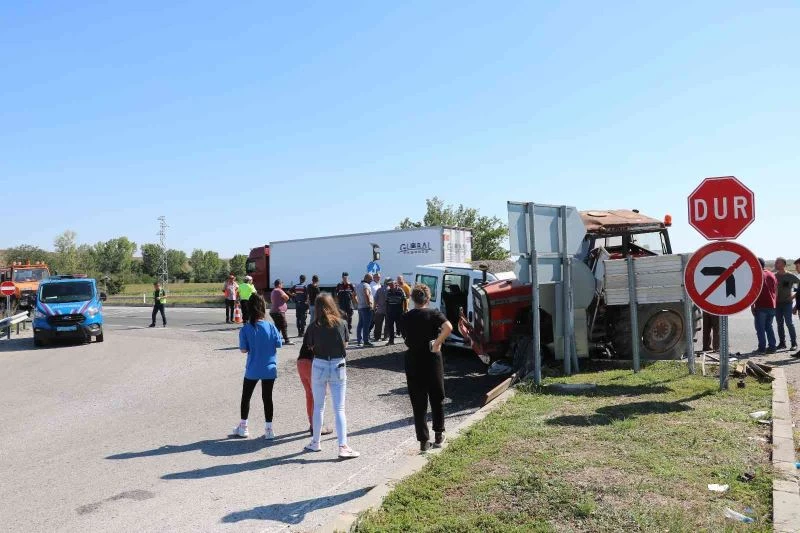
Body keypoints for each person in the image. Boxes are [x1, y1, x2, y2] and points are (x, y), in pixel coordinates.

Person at [302, 294, 360, 458]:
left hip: (319, 364)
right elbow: (345, 344)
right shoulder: (341, 323)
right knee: (339, 408)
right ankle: (343, 446)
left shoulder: (313, 326)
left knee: (318, 406)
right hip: (337, 364)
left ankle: (315, 442)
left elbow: (309, 346)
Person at [400, 283, 453, 452]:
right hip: (432, 358)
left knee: (418, 401)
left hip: (413, 359)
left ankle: (423, 441)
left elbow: (405, 336)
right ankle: (438, 435)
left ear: (412, 299)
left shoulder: (406, 317)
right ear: (428, 298)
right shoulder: (433, 313)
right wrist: (437, 343)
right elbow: (448, 327)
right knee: (437, 397)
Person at [233, 294, 282, 440]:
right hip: (269, 368)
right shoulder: (271, 326)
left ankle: (243, 427)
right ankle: (269, 429)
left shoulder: (246, 329)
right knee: (267, 398)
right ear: (263, 308)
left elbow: (243, 350)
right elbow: (278, 344)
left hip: (253, 368)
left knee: (246, 397)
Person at [297, 332, 333, 436]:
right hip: (311, 363)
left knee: (309, 395)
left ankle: (312, 423)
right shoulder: (323, 330)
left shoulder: (311, 328)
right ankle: (316, 426)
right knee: (319, 396)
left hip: (301, 361)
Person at [773, 257, 799, 350]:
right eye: (775, 262)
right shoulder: (774, 276)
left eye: (777, 262)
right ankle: (782, 343)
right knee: (779, 324)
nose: (775, 264)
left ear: (783, 264)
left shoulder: (790, 276)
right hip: (777, 304)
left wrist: (793, 296)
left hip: (787, 303)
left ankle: (794, 343)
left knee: (789, 323)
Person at [753, 257, 777, 354]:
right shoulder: (771, 274)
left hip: (761, 304)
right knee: (768, 327)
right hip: (772, 305)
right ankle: (772, 347)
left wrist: (752, 306)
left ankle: (762, 348)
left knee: (760, 328)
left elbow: (754, 290)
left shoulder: (758, 274)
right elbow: (776, 289)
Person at [270, 279, 295, 345]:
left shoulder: (273, 291)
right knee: (284, 325)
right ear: (279, 284)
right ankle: (287, 340)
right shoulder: (279, 290)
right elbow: (287, 297)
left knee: (278, 326)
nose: (282, 285)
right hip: (279, 311)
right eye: (282, 284)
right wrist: (284, 301)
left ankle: (275, 340)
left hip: (274, 311)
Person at [384, 278, 407, 345]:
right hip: (390, 311)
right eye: (389, 285)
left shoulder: (400, 290)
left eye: (391, 284)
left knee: (401, 326)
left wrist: (405, 310)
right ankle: (391, 341)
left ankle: (406, 339)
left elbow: (405, 300)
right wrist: (387, 311)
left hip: (399, 310)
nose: (390, 286)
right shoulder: (388, 291)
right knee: (390, 326)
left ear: (395, 284)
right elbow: (387, 302)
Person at [355, 274, 375, 347]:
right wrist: (369, 304)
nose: (371, 280)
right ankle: (366, 341)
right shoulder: (366, 285)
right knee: (366, 325)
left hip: (360, 307)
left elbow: (353, 295)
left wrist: (358, 303)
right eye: (371, 279)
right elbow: (366, 294)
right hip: (366, 307)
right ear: (366, 278)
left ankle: (359, 340)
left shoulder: (358, 285)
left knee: (360, 324)